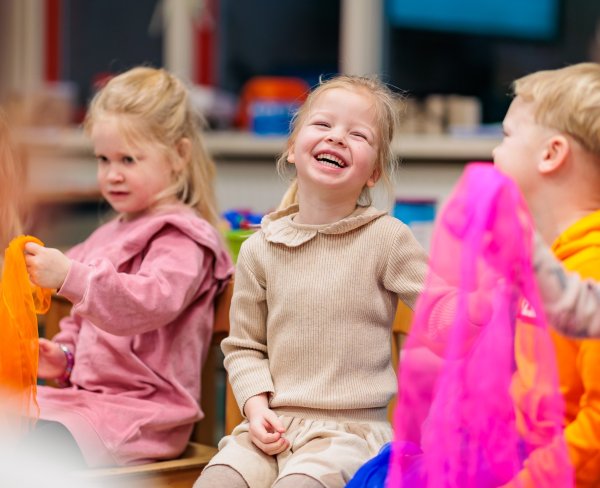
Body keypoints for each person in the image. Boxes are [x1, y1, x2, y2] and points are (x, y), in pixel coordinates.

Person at [194, 74, 466, 488]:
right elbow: (244, 346)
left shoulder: (386, 238)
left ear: (373, 172)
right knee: (218, 480)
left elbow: (440, 310)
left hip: (349, 437)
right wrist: (254, 404)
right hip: (271, 429)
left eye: (357, 134)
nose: (337, 137)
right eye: (323, 125)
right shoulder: (259, 248)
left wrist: (476, 306)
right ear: (291, 147)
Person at [23, 66, 234, 468]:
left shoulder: (184, 238)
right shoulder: (103, 237)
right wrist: (63, 357)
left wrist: (69, 276)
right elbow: (81, 329)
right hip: (84, 402)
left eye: (129, 159)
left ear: (179, 156)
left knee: (26, 445)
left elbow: (147, 303)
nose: (112, 174)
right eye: (103, 159)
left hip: (143, 413)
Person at [493, 62, 600, 487]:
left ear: (551, 154)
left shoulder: (590, 269)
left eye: (505, 136)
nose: (495, 153)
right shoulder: (551, 264)